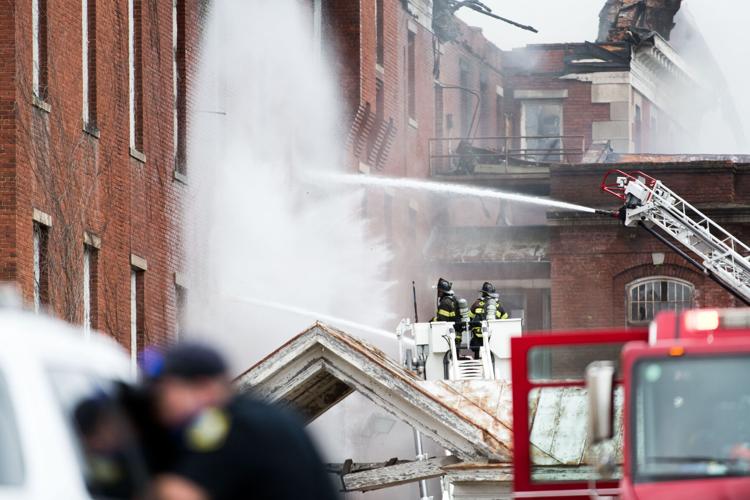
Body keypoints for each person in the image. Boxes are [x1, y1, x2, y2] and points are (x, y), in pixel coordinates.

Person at [140, 342, 339, 500]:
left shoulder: (226, 424)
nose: (155, 399)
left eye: (164, 389)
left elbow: (180, 494)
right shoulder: (264, 415)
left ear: (204, 388)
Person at [469, 282, 509, 356]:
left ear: (483, 293)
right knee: (492, 356)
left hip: (477, 338)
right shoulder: (498, 305)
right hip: (493, 338)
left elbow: (469, 318)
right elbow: (505, 320)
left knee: (478, 356)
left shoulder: (476, 303)